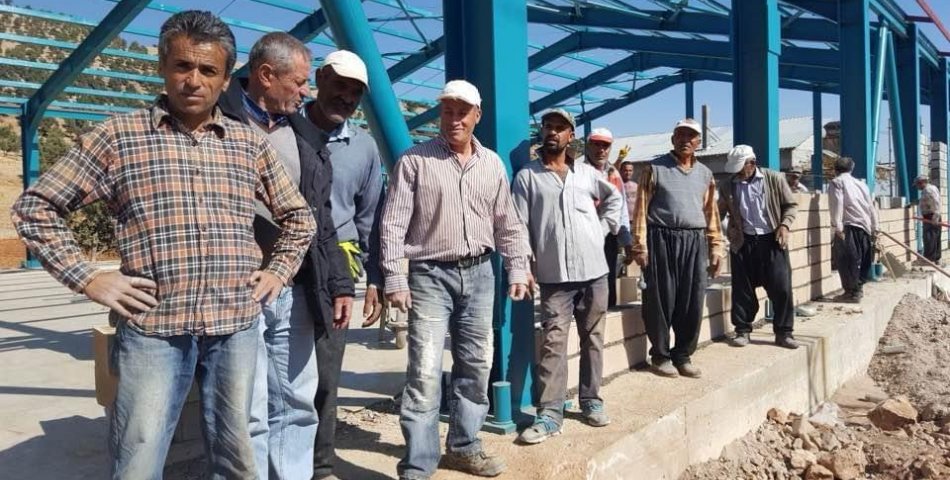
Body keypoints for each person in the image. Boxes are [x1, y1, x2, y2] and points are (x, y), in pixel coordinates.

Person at [11, 11, 317, 478]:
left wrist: (278, 270)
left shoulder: (247, 144)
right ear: (163, 66)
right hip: (154, 327)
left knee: (237, 456)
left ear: (224, 79)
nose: (194, 80)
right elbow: (35, 208)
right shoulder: (118, 138)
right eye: (182, 66)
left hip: (234, 324)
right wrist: (88, 277)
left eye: (208, 70)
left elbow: (299, 217)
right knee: (138, 456)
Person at [216, 32, 355, 479]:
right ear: (265, 75)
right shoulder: (217, 119)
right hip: (238, 289)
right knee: (249, 408)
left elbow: (320, 217)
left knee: (297, 400)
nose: (305, 91)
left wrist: (339, 282)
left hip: (294, 285)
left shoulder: (303, 136)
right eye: (298, 82)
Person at [380, 80, 533, 480]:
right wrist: (395, 277)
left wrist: (517, 266)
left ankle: (464, 446)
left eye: (462, 112)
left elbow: (507, 222)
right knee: (425, 371)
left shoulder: (492, 164)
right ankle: (419, 462)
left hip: (481, 274)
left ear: (477, 115)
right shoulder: (415, 161)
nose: (454, 119)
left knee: (476, 365)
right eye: (447, 111)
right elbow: (393, 224)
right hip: (429, 275)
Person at [512, 108, 622, 444]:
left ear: (570, 136)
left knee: (593, 339)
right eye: (548, 126)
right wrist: (524, 264)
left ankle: (591, 400)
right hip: (554, 276)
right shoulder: (528, 177)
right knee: (554, 343)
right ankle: (550, 414)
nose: (553, 132)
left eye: (560, 128)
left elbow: (615, 198)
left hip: (594, 273)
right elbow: (518, 225)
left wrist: (601, 230)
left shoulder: (586, 174)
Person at [302, 49, 385, 479]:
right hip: (284, 262)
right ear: (319, 79)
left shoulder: (364, 147)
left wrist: (374, 277)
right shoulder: (286, 130)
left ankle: (320, 465)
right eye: (340, 86)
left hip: (339, 266)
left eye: (356, 93)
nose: (347, 98)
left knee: (327, 369)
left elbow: (370, 216)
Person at [631, 118, 725, 379]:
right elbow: (641, 208)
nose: (685, 140)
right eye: (680, 135)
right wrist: (640, 246)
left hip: (694, 240)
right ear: (673, 139)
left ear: (698, 142)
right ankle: (660, 356)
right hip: (661, 238)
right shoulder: (654, 169)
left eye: (691, 136)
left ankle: (683, 355)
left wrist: (716, 247)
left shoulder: (705, 174)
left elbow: (711, 213)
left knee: (692, 299)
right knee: (661, 299)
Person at [719, 145, 800, 350]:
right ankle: (742, 330)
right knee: (742, 289)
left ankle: (784, 333)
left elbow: (790, 205)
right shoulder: (728, 185)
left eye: (741, 168)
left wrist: (784, 225)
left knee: (781, 287)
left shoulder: (774, 179)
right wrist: (720, 236)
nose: (738, 173)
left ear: (752, 163)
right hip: (743, 242)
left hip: (772, 240)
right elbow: (719, 212)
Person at [584, 127, 633, 307]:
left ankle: (608, 313)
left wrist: (626, 241)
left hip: (608, 237)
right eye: (596, 144)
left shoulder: (614, 174)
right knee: (584, 285)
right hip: (584, 236)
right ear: (588, 146)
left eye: (605, 146)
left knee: (608, 278)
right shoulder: (577, 171)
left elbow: (622, 209)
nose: (601, 150)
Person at [828, 156, 878, 303]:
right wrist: (875, 227)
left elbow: (836, 204)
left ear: (835, 169)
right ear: (851, 169)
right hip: (864, 227)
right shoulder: (862, 185)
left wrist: (837, 226)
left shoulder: (837, 182)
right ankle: (857, 290)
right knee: (860, 260)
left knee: (846, 260)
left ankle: (851, 293)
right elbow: (871, 206)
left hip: (848, 226)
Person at [914, 175, 942, 263]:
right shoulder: (929, 189)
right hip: (932, 216)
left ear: (921, 183)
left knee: (930, 238)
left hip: (931, 216)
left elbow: (936, 203)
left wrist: (935, 217)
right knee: (934, 237)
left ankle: (929, 260)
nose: (917, 187)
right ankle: (936, 258)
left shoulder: (928, 190)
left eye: (917, 185)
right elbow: (926, 201)